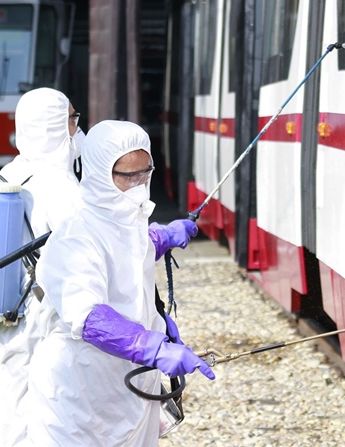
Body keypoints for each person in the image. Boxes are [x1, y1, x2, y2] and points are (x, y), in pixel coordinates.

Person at [25, 120, 213, 446]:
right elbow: (88, 317)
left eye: (145, 173)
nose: (140, 185)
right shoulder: (75, 237)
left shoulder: (130, 219)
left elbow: (131, 249)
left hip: (126, 390)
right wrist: (151, 346)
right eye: (128, 177)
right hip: (78, 396)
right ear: (99, 174)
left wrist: (163, 236)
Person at [0, 88, 83, 446]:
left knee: (1, 423)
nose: (76, 130)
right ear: (57, 127)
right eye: (72, 120)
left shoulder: (8, 172)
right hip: (39, 328)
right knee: (38, 428)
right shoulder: (63, 189)